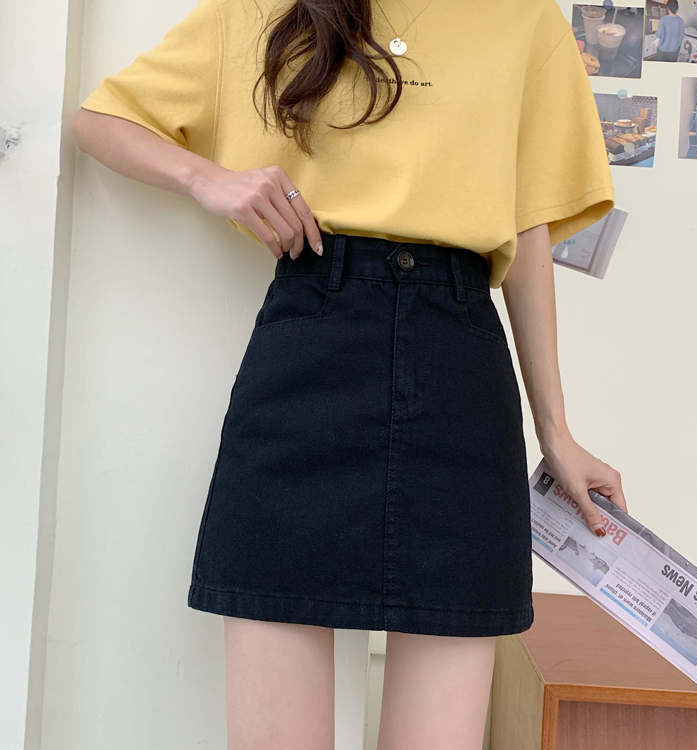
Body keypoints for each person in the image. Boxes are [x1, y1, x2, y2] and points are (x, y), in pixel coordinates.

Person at [72, 0, 628, 747]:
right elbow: (102, 120)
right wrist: (210, 180)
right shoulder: (265, 10)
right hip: (307, 351)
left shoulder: (523, 21)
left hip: (459, 368)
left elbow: (527, 233)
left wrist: (556, 433)